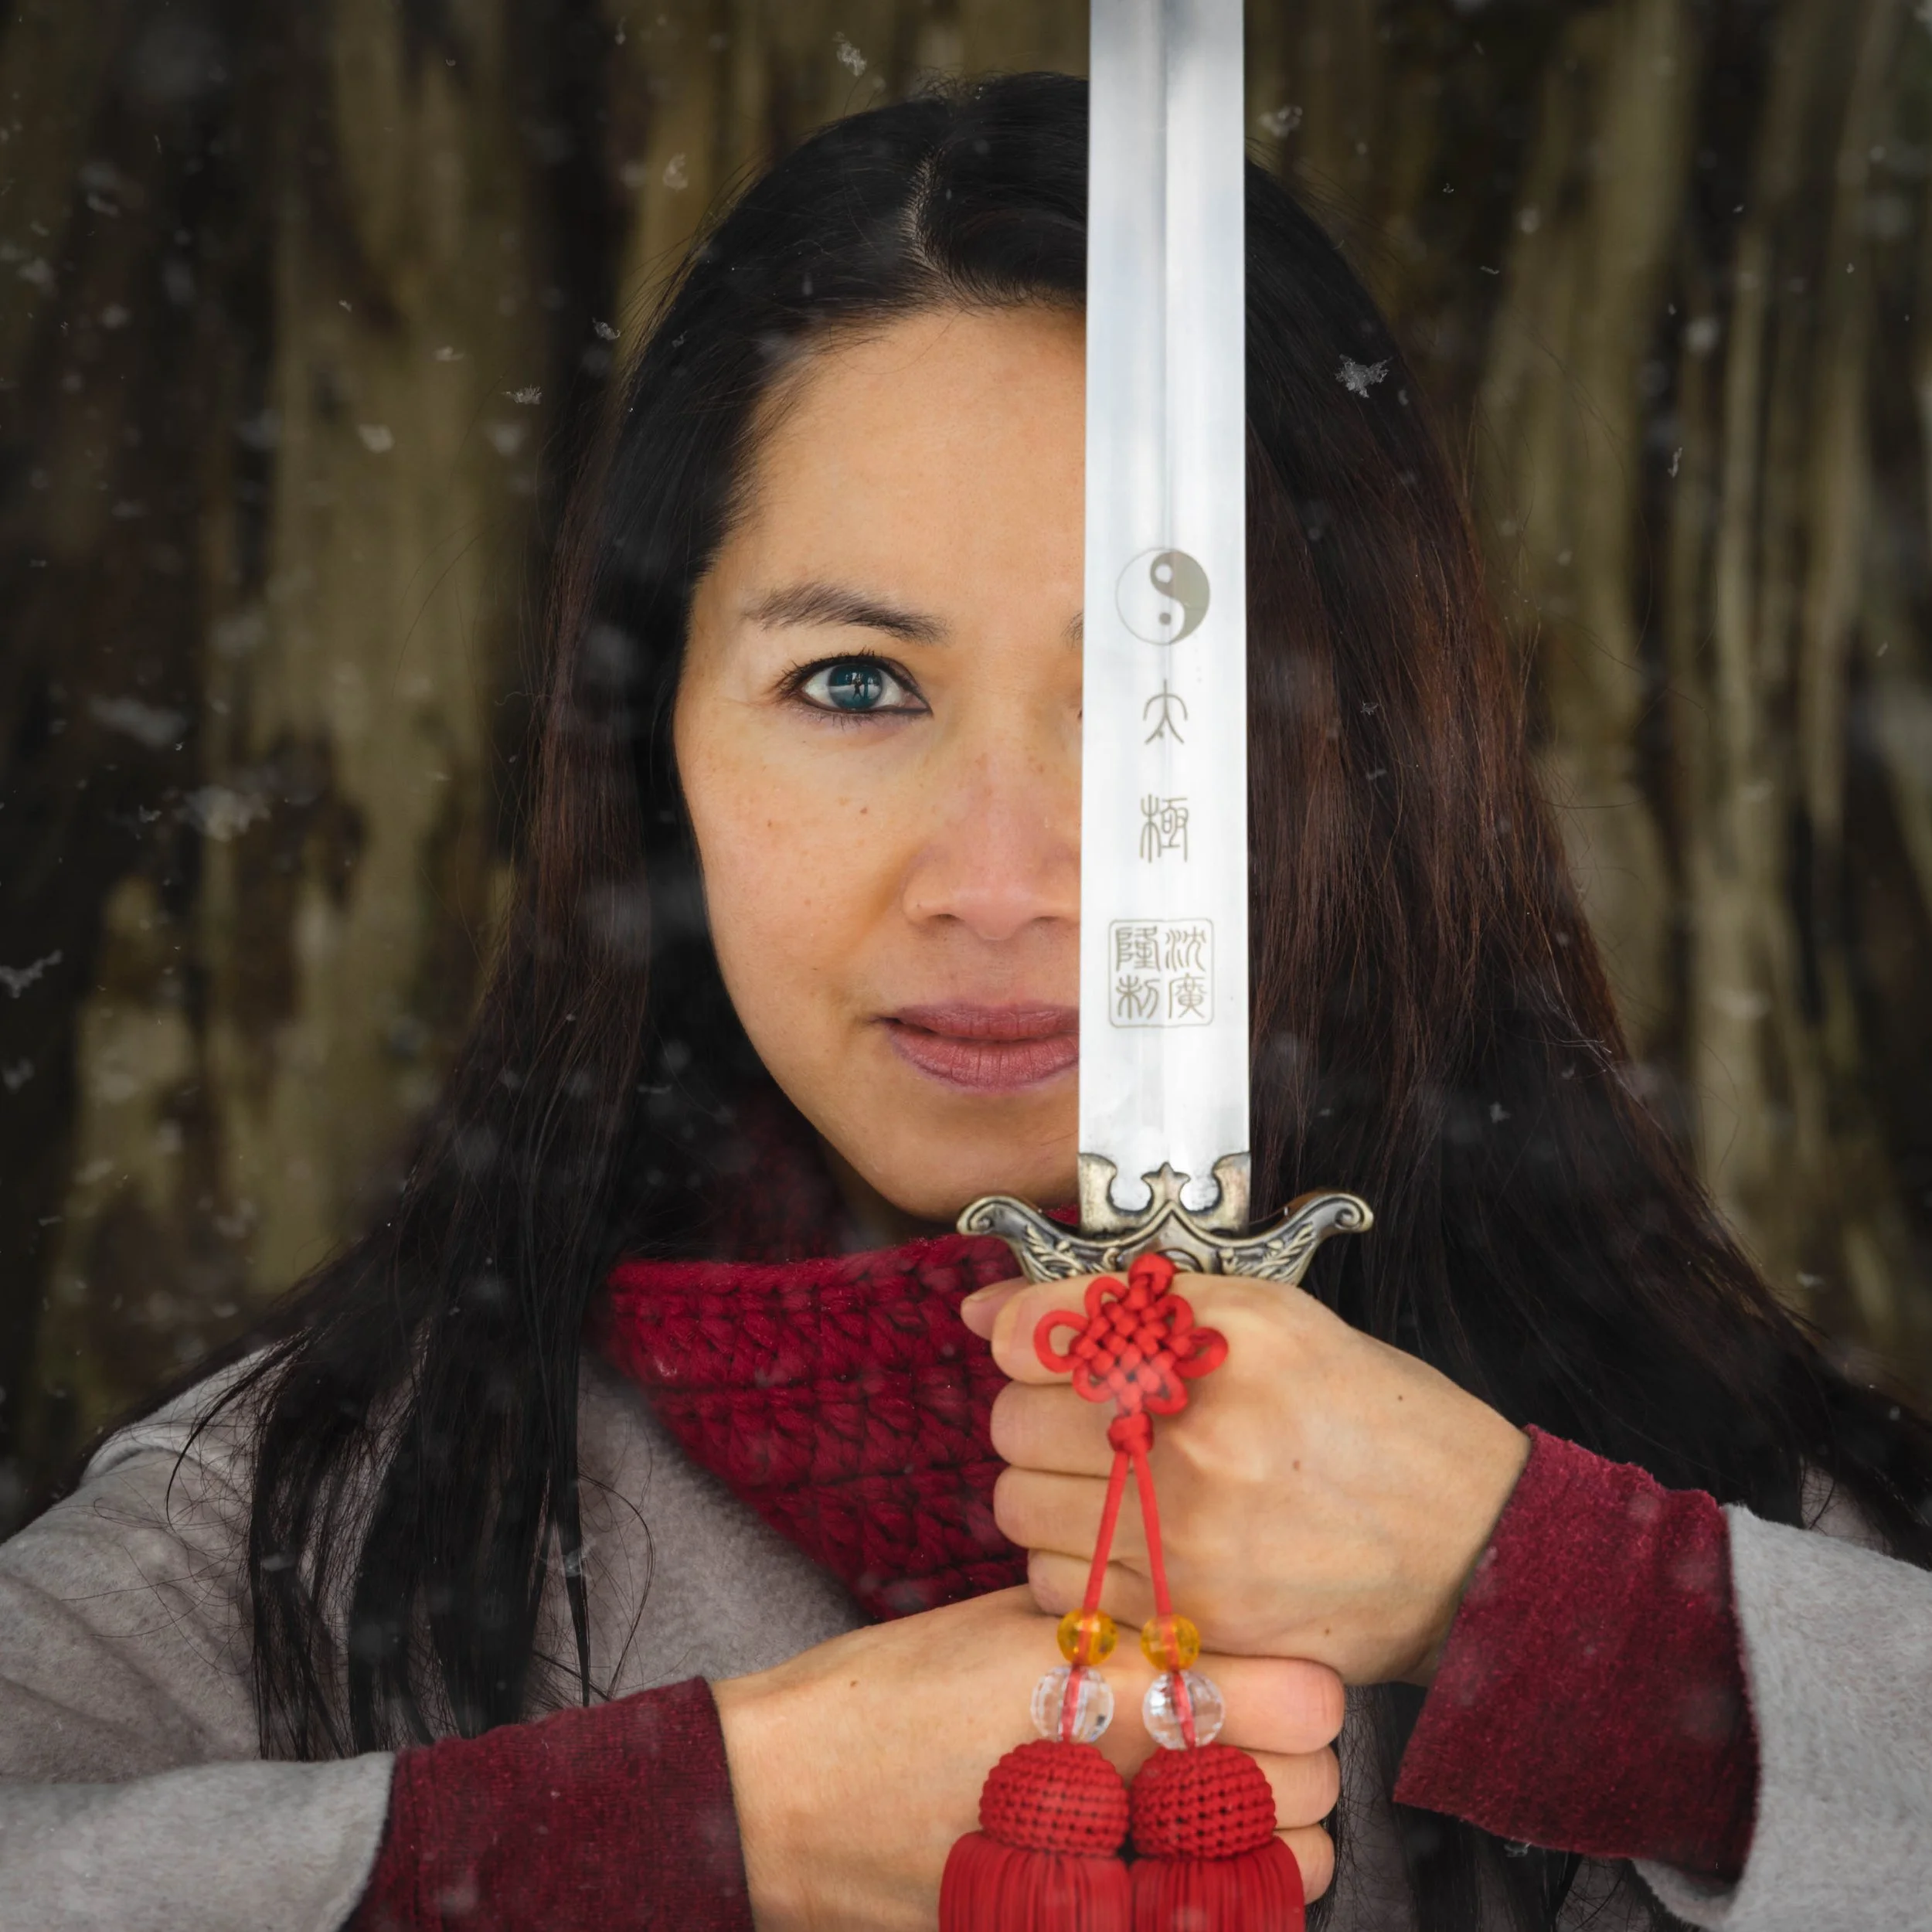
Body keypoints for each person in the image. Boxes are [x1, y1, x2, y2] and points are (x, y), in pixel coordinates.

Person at [2, 71, 1927, 1932]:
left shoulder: (1701, 1496)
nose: (997, 878)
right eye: (854, 682)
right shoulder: (315, 1519)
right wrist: (698, 1825)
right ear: (650, 741)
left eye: (1159, 705)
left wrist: (1565, 1615)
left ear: (1378, 754)